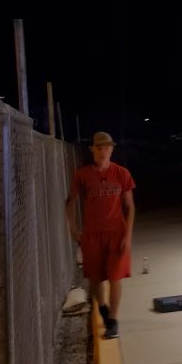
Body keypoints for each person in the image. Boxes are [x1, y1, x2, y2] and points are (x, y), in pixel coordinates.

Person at [65, 131, 136, 339]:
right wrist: (72, 229)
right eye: (100, 147)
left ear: (112, 149)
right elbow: (69, 202)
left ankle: (112, 320)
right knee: (96, 280)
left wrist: (128, 236)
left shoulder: (121, 173)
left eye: (107, 147)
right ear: (92, 149)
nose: (104, 151)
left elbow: (130, 207)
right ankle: (103, 307)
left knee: (115, 278)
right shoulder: (83, 175)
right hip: (92, 235)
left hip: (116, 234)